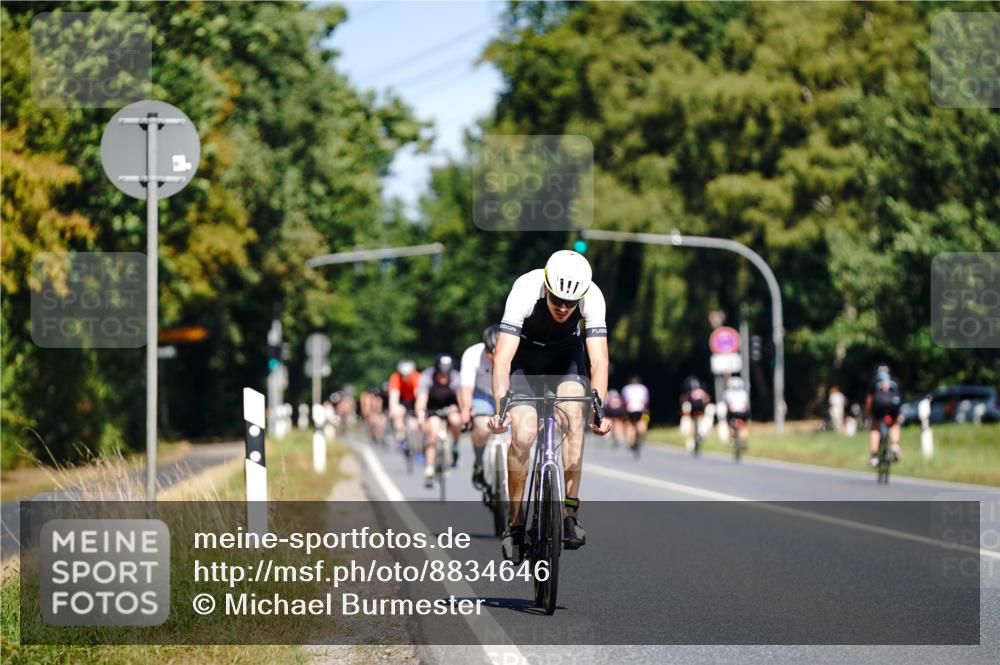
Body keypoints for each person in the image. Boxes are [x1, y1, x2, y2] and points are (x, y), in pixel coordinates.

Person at [488, 250, 612, 562]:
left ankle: (570, 513)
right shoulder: (525, 289)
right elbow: (502, 358)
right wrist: (500, 408)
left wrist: (599, 410)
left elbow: (599, 360)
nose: (562, 308)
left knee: (573, 413)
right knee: (524, 434)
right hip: (525, 364)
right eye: (557, 300)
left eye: (570, 303)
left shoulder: (593, 296)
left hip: (565, 359)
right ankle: (515, 525)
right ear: (546, 286)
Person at [459, 325, 501, 489]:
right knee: (482, 428)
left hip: (507, 394)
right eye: (491, 353)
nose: (493, 357)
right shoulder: (472, 354)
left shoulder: (515, 349)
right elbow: (466, 386)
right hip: (482, 394)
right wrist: (466, 409)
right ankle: (478, 462)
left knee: (513, 440)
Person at [415, 354, 462, 488]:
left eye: (446, 374)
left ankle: (455, 446)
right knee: (433, 434)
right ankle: (429, 470)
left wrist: (462, 411)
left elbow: (460, 397)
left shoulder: (455, 377)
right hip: (432, 410)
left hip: (451, 408)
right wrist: (420, 415)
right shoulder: (427, 376)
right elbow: (421, 398)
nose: (443, 377)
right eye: (441, 374)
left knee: (456, 421)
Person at [865, 364, 902, 466]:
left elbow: (869, 400)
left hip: (879, 403)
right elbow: (899, 396)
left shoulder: (874, 380)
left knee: (875, 426)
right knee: (894, 423)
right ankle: (895, 445)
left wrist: (868, 414)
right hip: (893, 403)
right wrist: (898, 414)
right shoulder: (894, 379)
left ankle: (874, 456)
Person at [388, 359, 421, 454]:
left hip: (414, 401)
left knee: (415, 426)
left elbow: (418, 394)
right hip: (402, 401)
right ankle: (400, 438)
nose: (405, 377)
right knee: (397, 413)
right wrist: (392, 409)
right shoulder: (395, 377)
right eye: (403, 375)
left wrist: (420, 411)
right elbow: (394, 395)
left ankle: (419, 449)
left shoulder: (416, 376)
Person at [680, 375, 711, 450]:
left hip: (693, 407)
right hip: (699, 406)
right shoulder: (702, 387)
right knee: (699, 417)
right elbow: (707, 398)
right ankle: (698, 433)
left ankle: (695, 433)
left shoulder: (688, 388)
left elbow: (684, 398)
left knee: (690, 418)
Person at [621, 375, 650, 450]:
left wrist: (624, 412)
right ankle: (641, 432)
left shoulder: (626, 388)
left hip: (630, 409)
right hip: (643, 410)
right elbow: (646, 401)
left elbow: (623, 402)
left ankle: (631, 440)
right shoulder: (643, 388)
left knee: (629, 424)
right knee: (644, 421)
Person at [721, 376, 751, 443]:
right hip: (743, 414)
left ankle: (732, 435)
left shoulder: (728, 392)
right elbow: (746, 405)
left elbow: (726, 404)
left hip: (733, 414)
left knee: (730, 423)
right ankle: (743, 442)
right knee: (743, 427)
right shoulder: (744, 393)